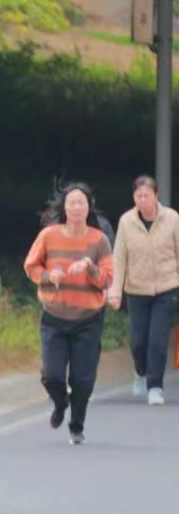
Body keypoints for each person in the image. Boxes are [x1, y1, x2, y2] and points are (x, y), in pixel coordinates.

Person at [24, 182, 113, 445]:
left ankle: (77, 425)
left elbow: (107, 279)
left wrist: (89, 267)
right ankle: (60, 402)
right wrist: (48, 275)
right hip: (54, 317)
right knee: (51, 375)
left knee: (82, 380)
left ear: (89, 207)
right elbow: (31, 267)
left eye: (81, 202)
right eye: (71, 202)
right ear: (64, 207)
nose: (76, 207)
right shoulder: (48, 235)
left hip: (88, 320)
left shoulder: (99, 240)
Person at [107, 175, 179, 406]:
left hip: (166, 287)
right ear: (134, 198)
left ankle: (155, 386)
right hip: (136, 289)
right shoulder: (126, 221)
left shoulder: (172, 219)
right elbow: (119, 258)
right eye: (138, 196)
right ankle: (140, 372)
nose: (143, 200)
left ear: (156, 196)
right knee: (139, 341)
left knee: (158, 340)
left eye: (147, 195)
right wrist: (115, 291)